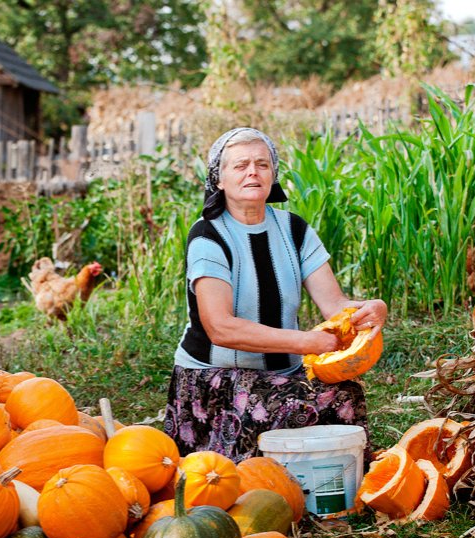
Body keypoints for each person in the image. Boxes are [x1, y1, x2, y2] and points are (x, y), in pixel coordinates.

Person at [164, 127, 387, 462]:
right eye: (240, 166)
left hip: (287, 372)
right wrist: (304, 343)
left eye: (262, 164)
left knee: (345, 395)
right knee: (289, 406)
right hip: (215, 377)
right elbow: (220, 328)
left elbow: (335, 306)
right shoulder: (208, 236)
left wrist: (373, 309)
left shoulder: (294, 230)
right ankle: (271, 487)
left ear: (273, 175)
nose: (252, 171)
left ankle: (341, 483)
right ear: (219, 179)